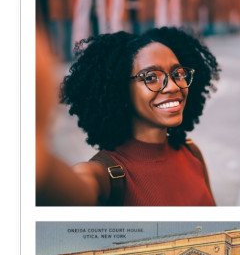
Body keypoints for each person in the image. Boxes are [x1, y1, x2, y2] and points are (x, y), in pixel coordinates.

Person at [37, 26, 220, 206]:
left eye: (178, 73)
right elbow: (62, 189)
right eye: (151, 77)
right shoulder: (103, 176)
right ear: (121, 91)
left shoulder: (192, 153)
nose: (173, 86)